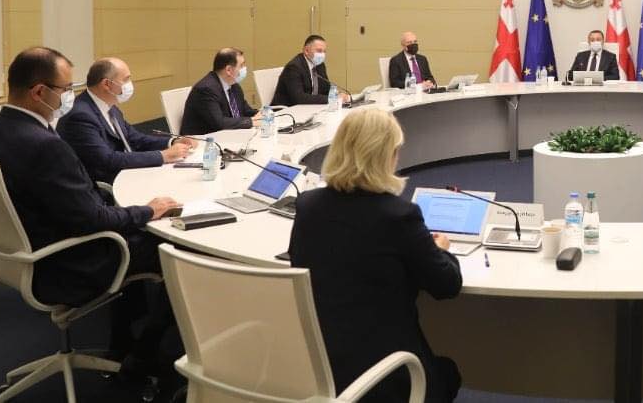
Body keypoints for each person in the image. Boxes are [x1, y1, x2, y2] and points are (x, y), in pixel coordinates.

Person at [0, 47, 181, 377]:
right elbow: (94, 220)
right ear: (39, 92)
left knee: (136, 232)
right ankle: (145, 354)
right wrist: (149, 210)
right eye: (66, 89)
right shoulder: (45, 145)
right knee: (171, 248)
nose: (71, 96)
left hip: (15, 253)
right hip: (68, 262)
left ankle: (122, 337)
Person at [289, 107, 461, 402]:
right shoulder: (399, 216)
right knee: (449, 373)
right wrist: (441, 250)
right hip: (387, 375)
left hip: (319, 366)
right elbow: (446, 285)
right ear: (386, 156)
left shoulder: (307, 205)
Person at [57, 58, 195, 185]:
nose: (130, 85)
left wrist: (172, 142)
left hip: (125, 172)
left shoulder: (110, 107)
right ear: (106, 84)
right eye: (126, 79)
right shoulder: (80, 115)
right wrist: (162, 156)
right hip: (104, 185)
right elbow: (107, 160)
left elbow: (135, 138)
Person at [180, 47, 258, 136]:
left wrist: (261, 114)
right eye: (241, 65)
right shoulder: (206, 89)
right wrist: (251, 121)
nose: (245, 69)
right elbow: (219, 123)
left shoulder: (234, 86)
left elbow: (245, 110)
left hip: (227, 136)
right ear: (228, 70)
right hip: (201, 140)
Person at [272, 34, 349, 107]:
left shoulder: (320, 65)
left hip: (308, 108)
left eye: (324, 51)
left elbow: (326, 89)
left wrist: (338, 95)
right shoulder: (294, 67)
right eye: (319, 51)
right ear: (306, 50)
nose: (322, 54)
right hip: (286, 111)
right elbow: (299, 98)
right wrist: (332, 99)